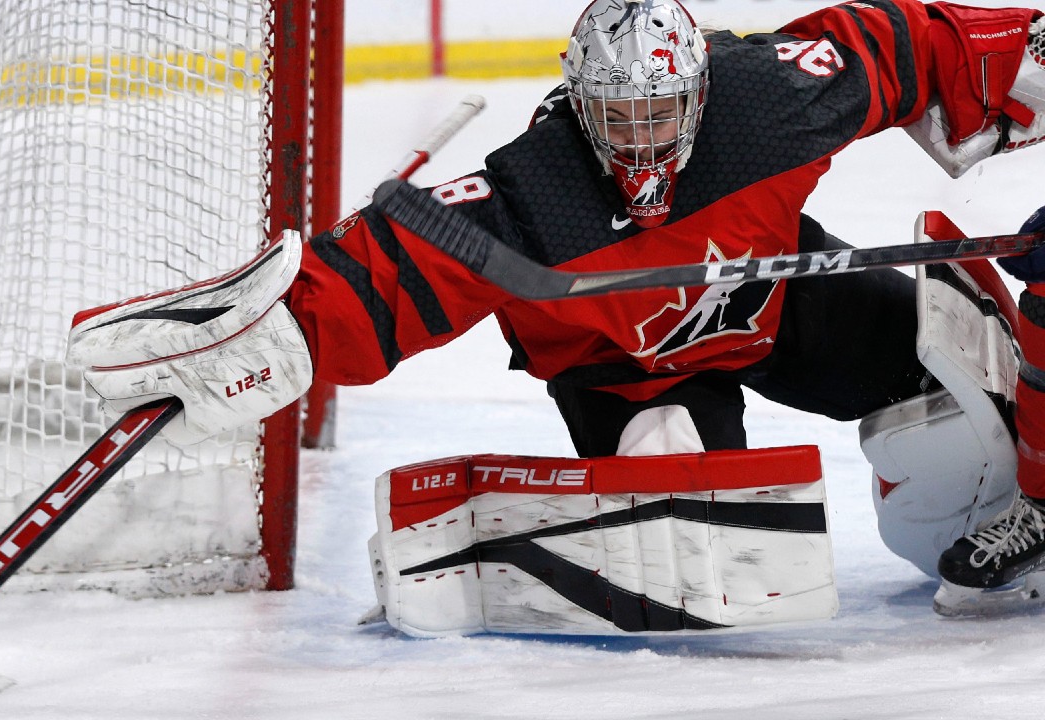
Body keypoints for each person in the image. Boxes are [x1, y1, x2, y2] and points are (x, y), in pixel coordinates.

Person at [67, 0, 1045, 625]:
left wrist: (1011, 54)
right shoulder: (532, 195)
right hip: (629, 373)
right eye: (616, 116)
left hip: (773, 295)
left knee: (972, 382)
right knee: (685, 542)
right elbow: (378, 279)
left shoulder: (768, 103)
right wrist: (274, 332)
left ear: (700, 91)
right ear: (578, 104)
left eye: (659, 112)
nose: (640, 138)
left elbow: (898, 44)